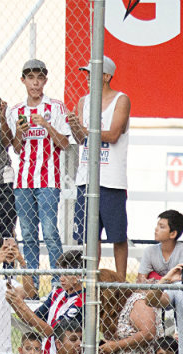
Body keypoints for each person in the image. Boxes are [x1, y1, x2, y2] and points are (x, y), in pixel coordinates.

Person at [69, 56, 131, 281]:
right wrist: (75, 127)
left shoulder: (121, 100)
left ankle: (121, 282)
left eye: (92, 73)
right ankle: (91, 280)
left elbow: (114, 134)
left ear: (106, 76)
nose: (87, 77)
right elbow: (80, 139)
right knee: (89, 236)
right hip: (86, 176)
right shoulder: (83, 101)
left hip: (111, 177)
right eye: (86, 73)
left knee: (118, 235)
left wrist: (84, 130)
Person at [7, 60, 68, 279]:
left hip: (49, 180)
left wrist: (47, 125)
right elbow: (16, 149)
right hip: (23, 181)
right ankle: (31, 286)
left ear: (45, 81)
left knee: (50, 233)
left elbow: (65, 144)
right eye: (31, 78)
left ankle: (58, 283)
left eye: (39, 78)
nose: (35, 83)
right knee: (28, 235)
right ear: (23, 80)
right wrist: (19, 132)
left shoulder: (56, 107)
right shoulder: (16, 110)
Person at [6, 250, 84, 354]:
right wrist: (14, 302)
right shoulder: (57, 293)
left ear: (78, 275)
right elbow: (31, 320)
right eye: (60, 274)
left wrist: (21, 304)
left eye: (66, 274)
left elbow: (51, 332)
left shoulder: (81, 300)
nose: (61, 279)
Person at [0, 72, 16, 241]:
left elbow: (8, 142)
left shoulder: (3, 112)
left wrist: (2, 116)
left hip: (3, 178)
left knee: (7, 231)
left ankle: (8, 257)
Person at [140, 210, 183, 280]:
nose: (156, 229)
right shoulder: (149, 251)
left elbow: (180, 280)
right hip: (156, 287)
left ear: (173, 234)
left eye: (161, 227)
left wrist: (155, 278)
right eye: (157, 225)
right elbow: (140, 280)